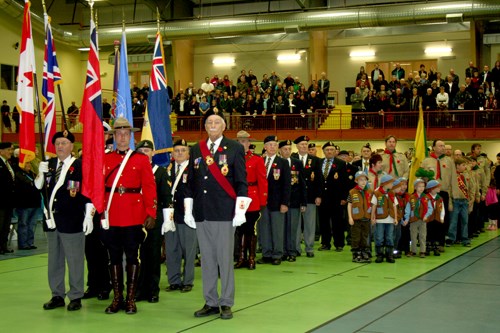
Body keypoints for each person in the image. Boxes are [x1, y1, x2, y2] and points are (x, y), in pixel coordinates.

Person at [184, 114, 250, 320]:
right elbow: (191, 181)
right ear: (205, 127)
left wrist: (240, 210)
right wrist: (188, 209)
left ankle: (226, 302)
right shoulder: (196, 149)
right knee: (208, 260)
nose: (212, 126)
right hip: (202, 212)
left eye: (216, 123)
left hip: (224, 212)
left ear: (224, 126)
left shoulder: (235, 148)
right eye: (209, 123)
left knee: (224, 260)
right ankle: (211, 301)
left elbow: (241, 181)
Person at [101, 117, 157, 315]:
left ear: (131, 136)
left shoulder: (140, 159)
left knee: (133, 257)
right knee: (113, 257)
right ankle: (117, 298)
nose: (123, 138)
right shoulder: (105, 158)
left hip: (134, 215)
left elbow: (150, 187)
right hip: (112, 214)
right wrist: (99, 212)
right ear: (114, 136)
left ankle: (131, 299)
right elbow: (100, 188)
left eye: (126, 134)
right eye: (119, 134)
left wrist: (151, 212)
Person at [34, 130, 93, 311]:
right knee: (55, 260)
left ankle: (75, 296)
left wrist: (89, 213)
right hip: (52, 220)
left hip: (72, 220)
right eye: (58, 143)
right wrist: (40, 174)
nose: (60, 146)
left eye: (64, 143)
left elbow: (86, 191)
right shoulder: (49, 164)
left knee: (74, 260)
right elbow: (38, 188)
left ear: (71, 146)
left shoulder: (80, 165)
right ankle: (57, 295)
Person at [135, 140, 171, 303]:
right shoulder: (133, 170)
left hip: (154, 220)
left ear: (153, 153)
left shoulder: (160, 172)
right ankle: (137, 289)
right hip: (135, 219)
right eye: (141, 150)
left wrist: (166, 220)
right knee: (136, 256)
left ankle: (152, 290)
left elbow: (166, 197)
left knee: (153, 255)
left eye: (147, 150)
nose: (144, 153)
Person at [164, 139, 197, 292]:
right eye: (177, 151)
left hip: (187, 216)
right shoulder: (167, 170)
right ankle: (174, 280)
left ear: (188, 154)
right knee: (171, 249)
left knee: (188, 250)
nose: (179, 153)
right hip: (170, 215)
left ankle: (188, 280)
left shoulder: (194, 170)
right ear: (172, 153)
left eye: (183, 150)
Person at [234, 131, 267, 270]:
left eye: (244, 142)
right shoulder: (232, 158)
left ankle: (252, 257)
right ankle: (241, 257)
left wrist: (263, 200)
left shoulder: (257, 160)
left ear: (249, 143)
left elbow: (262, 181)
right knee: (239, 229)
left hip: (252, 198)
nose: (242, 144)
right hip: (236, 199)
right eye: (239, 142)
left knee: (251, 229)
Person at [258, 136, 291, 265]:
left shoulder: (282, 162)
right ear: (265, 147)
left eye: (274, 144)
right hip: (262, 202)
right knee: (264, 228)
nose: (272, 147)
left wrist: (285, 203)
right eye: (270, 144)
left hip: (277, 203)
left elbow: (286, 185)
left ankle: (277, 254)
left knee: (277, 229)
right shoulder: (259, 161)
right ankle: (266, 253)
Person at [420, 139, 457, 253]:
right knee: (430, 218)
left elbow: (453, 180)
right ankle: (429, 242)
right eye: (440, 146)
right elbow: (421, 177)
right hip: (429, 193)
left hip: (443, 193)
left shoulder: (449, 161)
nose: (443, 148)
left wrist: (452, 198)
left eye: (444, 146)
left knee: (441, 219)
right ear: (434, 147)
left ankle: (440, 242)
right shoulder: (426, 161)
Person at [291, 135, 322, 257]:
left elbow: (319, 179)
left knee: (309, 224)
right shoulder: (292, 159)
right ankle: (296, 247)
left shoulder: (315, 160)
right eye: (302, 144)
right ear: (297, 146)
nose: (304, 146)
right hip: (295, 197)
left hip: (310, 196)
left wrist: (319, 195)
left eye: (306, 144)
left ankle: (309, 248)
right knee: (296, 224)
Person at [318, 141, 348, 252]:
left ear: (335, 151)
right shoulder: (319, 162)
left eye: (331, 150)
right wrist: (318, 196)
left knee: (338, 222)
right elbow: (317, 181)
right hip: (323, 198)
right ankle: (325, 243)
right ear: (324, 151)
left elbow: (345, 182)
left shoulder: (340, 163)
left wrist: (344, 198)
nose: (329, 151)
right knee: (324, 222)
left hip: (336, 198)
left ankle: (339, 243)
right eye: (327, 150)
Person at [279, 140, 306, 262]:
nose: (287, 151)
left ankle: (292, 251)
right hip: (280, 202)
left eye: (289, 149)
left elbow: (302, 183)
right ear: (280, 150)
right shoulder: (277, 163)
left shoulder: (297, 163)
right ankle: (283, 251)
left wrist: (303, 202)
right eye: (285, 149)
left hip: (294, 201)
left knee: (292, 228)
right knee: (282, 228)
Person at [447, 157, 474, 247]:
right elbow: (449, 190)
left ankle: (465, 239)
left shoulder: (466, 176)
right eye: (463, 165)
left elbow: (470, 188)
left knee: (465, 221)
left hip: (465, 201)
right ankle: (451, 238)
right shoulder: (452, 176)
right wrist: (450, 202)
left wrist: (471, 199)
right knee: (453, 221)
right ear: (457, 166)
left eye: (465, 165)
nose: (465, 167)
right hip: (455, 200)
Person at [371, 174, 398, 263]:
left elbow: (394, 206)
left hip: (390, 219)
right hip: (380, 219)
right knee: (379, 237)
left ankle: (389, 255)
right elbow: (374, 206)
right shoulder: (377, 192)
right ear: (385, 183)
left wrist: (396, 218)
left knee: (390, 237)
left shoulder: (392, 193)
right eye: (390, 183)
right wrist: (373, 217)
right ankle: (379, 255)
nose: (392, 185)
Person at [347, 171, 373, 263]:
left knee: (364, 236)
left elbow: (372, 205)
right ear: (356, 181)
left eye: (365, 180)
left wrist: (372, 217)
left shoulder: (369, 192)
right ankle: (356, 253)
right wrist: (350, 217)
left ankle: (364, 251)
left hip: (366, 218)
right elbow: (349, 205)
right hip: (356, 219)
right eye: (361, 180)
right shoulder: (352, 192)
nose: (363, 182)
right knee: (356, 236)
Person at [14, 161, 40, 250]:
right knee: (23, 224)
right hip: (24, 203)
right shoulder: (18, 175)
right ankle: (23, 244)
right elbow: (28, 185)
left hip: (35, 203)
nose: (28, 165)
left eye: (29, 163)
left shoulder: (33, 174)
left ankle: (30, 242)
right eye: (26, 164)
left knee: (32, 224)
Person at [0, 142, 16, 254]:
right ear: (1, 151)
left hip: (8, 201)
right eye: (8, 150)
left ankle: (3, 246)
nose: (10, 152)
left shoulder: (8, 163)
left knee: (6, 225)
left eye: (11, 150)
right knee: (0, 225)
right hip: (1, 201)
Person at [423, 180, 445, 256]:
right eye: (438, 187)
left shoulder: (440, 198)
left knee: (437, 233)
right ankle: (428, 248)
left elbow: (442, 209)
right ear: (432, 189)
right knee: (428, 233)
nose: (439, 188)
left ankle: (436, 247)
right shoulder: (426, 198)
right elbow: (423, 208)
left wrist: (442, 217)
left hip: (437, 219)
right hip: (428, 219)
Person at [407, 178, 427, 258]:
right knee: (413, 235)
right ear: (415, 187)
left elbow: (429, 208)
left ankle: (422, 251)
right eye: (419, 186)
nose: (421, 188)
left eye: (423, 186)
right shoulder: (411, 197)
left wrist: (427, 216)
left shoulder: (426, 197)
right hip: (413, 219)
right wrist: (406, 218)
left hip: (423, 219)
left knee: (423, 235)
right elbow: (408, 208)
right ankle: (413, 250)